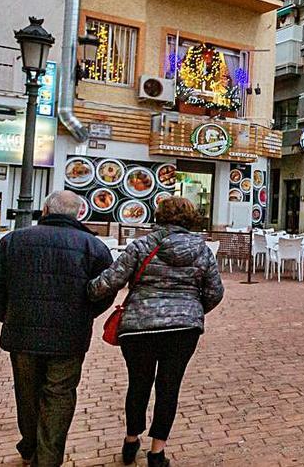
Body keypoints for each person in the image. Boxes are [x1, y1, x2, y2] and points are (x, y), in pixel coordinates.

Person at [0, 191, 115, 466]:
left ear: (44, 209)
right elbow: (105, 290)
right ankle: (48, 458)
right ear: (78, 214)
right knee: (60, 395)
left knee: (27, 393)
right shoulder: (93, 246)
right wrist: (84, 314)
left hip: (23, 333)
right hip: (69, 336)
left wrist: (8, 314)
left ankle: (30, 446)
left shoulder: (14, 240)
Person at [89, 197, 223, 467]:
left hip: (139, 327)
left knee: (138, 383)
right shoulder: (202, 249)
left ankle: (130, 440)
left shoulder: (142, 245)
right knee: (168, 387)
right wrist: (192, 309)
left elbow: (110, 281)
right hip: (183, 329)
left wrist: (87, 288)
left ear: (160, 216)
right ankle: (157, 451)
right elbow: (215, 292)